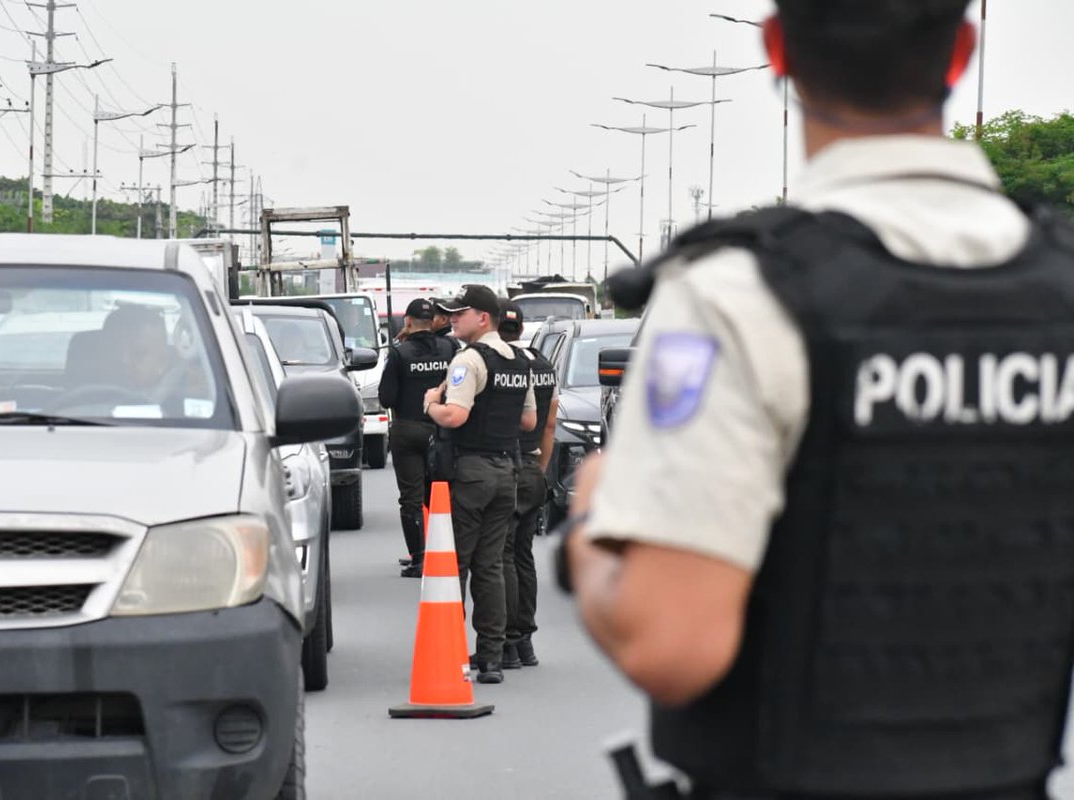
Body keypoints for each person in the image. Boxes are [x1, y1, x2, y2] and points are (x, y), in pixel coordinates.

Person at [563, 2, 1074, 798]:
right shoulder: (1059, 290)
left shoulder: (738, 295)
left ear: (777, 48)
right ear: (960, 52)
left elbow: (671, 644)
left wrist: (588, 529)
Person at [424, 285, 536, 685]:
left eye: (460, 313)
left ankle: (449, 648)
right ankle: (491, 657)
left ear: (483, 318)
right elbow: (528, 422)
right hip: (508, 472)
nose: (452, 318)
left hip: (470, 472)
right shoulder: (520, 360)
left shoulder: (468, 360)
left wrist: (429, 404)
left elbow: (454, 416)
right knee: (491, 566)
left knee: (455, 566)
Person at [379, 298, 459, 578]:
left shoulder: (400, 354)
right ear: (434, 321)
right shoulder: (450, 348)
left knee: (411, 499)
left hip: (408, 430)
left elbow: (386, 398)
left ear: (408, 321)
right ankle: (448, 551)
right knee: (442, 493)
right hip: (442, 430)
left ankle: (420, 559)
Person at [498, 300, 558, 670]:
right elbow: (549, 425)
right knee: (523, 555)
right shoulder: (544, 364)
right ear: (521, 329)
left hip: (505, 465)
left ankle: (506, 641)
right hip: (534, 465)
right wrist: (541, 466)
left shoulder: (496, 362)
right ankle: (525, 642)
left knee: (499, 557)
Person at [102, 304, 171, 391]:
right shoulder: (83, 400)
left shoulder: (180, 400)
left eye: (138, 353)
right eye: (114, 351)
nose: (124, 360)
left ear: (162, 362)